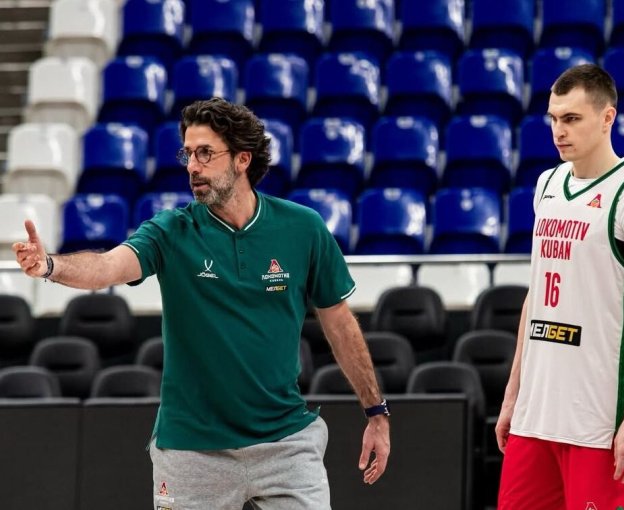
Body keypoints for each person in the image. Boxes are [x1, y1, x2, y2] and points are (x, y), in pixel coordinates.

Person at [13, 97, 390, 510]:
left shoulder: (303, 228)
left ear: (242, 159)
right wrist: (51, 266)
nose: (192, 166)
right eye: (188, 154)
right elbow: (107, 267)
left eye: (205, 153)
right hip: (191, 449)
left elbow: (340, 323)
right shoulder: (171, 230)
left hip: (285, 441)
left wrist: (376, 410)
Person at [495, 64, 624, 509]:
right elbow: (536, 296)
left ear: (607, 118)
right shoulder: (547, 185)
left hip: (599, 422)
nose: (559, 131)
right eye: (554, 118)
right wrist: (513, 394)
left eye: (572, 118)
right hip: (536, 416)